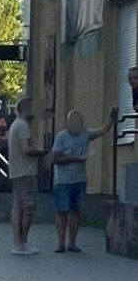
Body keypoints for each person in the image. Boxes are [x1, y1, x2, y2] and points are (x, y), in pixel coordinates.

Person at [51, 106, 117, 252]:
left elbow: (104, 129)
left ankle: (72, 243)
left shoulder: (85, 133)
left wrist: (111, 115)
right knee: (62, 211)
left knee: (75, 211)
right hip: (63, 180)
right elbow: (55, 158)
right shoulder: (61, 137)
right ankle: (60, 243)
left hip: (79, 179)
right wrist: (75, 158)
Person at [7, 97, 47, 255]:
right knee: (28, 208)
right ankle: (22, 243)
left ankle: (17, 243)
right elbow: (26, 149)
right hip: (26, 172)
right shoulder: (23, 126)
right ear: (26, 109)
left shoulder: (14, 125)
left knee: (17, 207)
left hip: (16, 171)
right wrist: (42, 152)